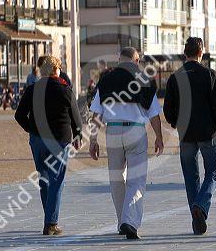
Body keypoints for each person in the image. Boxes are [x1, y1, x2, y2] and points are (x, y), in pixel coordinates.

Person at [89, 47, 164, 240]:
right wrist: (159, 137)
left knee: (116, 179)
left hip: (112, 131)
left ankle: (122, 220)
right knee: (136, 179)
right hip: (135, 131)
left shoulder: (106, 79)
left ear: (119, 60)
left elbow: (96, 114)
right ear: (136, 60)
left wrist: (93, 139)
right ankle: (129, 221)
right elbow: (154, 113)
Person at [163, 37, 216, 236]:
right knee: (213, 172)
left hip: (186, 134)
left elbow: (168, 108)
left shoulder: (175, 78)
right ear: (201, 53)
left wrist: (176, 123)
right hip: (208, 132)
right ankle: (200, 205)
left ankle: (196, 218)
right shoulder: (209, 75)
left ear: (185, 53)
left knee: (191, 177)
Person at [15, 55, 82, 236]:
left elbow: (19, 115)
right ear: (55, 70)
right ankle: (51, 223)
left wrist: (31, 129)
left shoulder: (32, 90)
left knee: (44, 180)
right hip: (59, 141)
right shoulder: (65, 90)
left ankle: (49, 218)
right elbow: (77, 119)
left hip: (38, 141)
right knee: (56, 180)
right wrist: (78, 136)